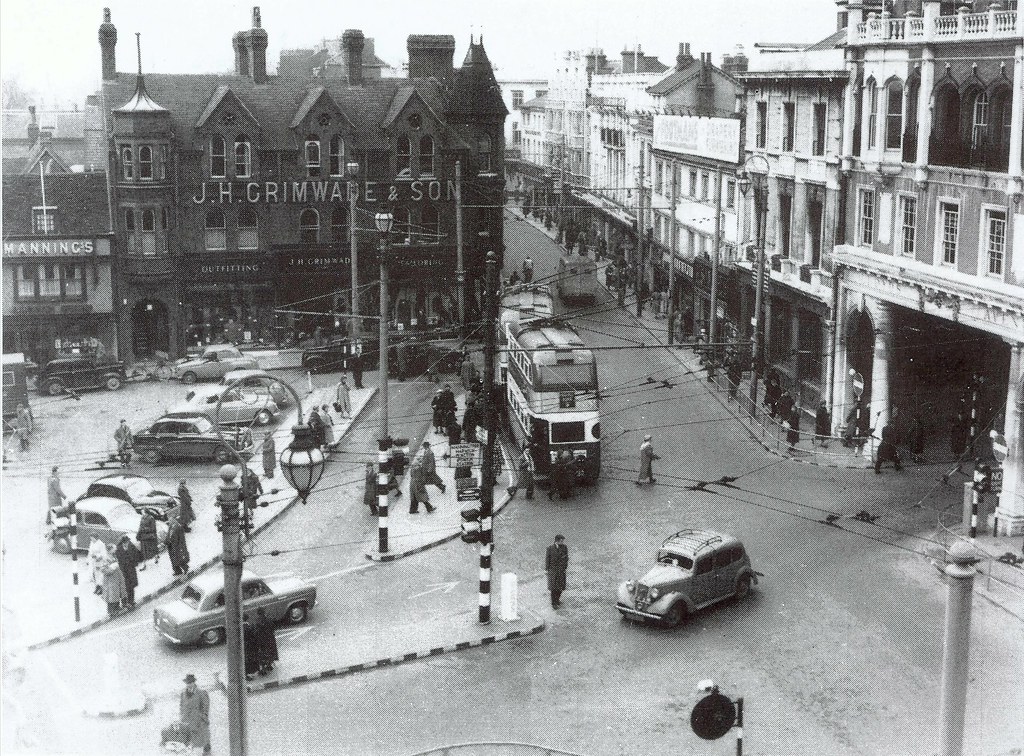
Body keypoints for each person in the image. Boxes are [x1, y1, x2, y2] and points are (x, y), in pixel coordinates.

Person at [179, 674, 211, 755]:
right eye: (187, 683)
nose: (188, 685)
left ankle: (207, 750)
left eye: (190, 683)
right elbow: (181, 705)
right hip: (187, 719)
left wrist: (203, 716)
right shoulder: (183, 693)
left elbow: (205, 706)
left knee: (203, 736)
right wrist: (181, 716)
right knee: (190, 738)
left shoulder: (201, 692)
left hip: (199, 719)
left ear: (194, 683)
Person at [113, 534, 141, 607]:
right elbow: (119, 559)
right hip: (124, 570)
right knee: (126, 586)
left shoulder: (131, 545)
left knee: (132, 585)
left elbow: (136, 554)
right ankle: (127, 602)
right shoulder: (118, 549)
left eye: (128, 541)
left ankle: (132, 600)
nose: (127, 543)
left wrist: (135, 562)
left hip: (131, 568)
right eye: (126, 542)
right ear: (123, 542)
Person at [101, 546, 127, 616]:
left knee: (116, 593)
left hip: (117, 578)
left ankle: (116, 608)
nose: (115, 550)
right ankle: (111, 611)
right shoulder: (106, 558)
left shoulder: (114, 556)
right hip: (111, 580)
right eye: (114, 549)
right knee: (111, 595)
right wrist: (112, 568)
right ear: (110, 550)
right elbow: (103, 570)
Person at [544, 534, 569, 609]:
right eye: (561, 541)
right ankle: (553, 603)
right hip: (553, 570)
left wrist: (564, 567)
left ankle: (557, 599)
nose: (562, 542)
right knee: (553, 588)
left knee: (561, 587)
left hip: (561, 570)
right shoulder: (550, 548)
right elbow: (547, 559)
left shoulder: (564, 547)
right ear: (557, 541)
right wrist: (546, 569)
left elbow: (566, 557)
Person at [253, 607, 279, 676]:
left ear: (258, 613)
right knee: (270, 652)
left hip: (262, 641)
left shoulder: (257, 621)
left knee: (262, 654)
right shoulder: (268, 620)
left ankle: (263, 669)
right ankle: (269, 665)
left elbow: (256, 632)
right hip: (270, 639)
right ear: (264, 612)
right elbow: (273, 628)